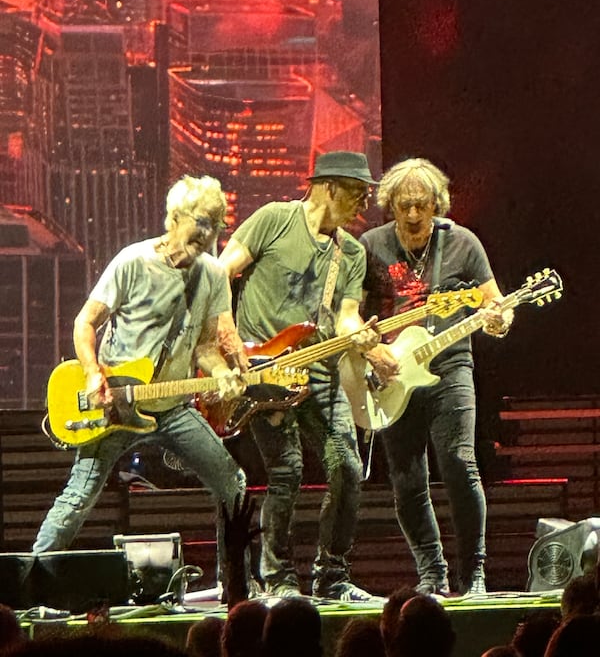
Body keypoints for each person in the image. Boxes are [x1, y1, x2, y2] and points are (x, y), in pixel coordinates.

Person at [32, 175, 247, 588]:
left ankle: (235, 586)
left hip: (171, 406)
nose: (208, 233)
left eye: (216, 224)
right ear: (175, 217)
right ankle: (27, 583)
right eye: (202, 221)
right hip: (117, 402)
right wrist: (95, 373)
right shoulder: (133, 261)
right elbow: (85, 322)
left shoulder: (212, 274)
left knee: (232, 483)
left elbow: (204, 346)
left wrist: (222, 373)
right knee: (79, 497)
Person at [219, 151, 383, 601]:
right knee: (286, 471)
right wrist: (229, 343)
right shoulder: (274, 219)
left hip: (319, 375)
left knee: (348, 468)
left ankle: (333, 575)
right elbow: (220, 273)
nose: (363, 202)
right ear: (328, 186)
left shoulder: (351, 251)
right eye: (356, 191)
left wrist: (362, 337)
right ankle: (279, 578)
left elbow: (346, 316)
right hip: (264, 373)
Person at [360, 158, 514, 596]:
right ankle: (431, 573)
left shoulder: (462, 243)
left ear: (437, 204)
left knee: (459, 464)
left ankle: (474, 573)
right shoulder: (370, 245)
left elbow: (495, 304)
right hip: (393, 376)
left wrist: (498, 320)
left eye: (421, 206)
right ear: (389, 204)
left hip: (450, 366)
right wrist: (372, 350)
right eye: (404, 206)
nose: (412, 216)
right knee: (407, 479)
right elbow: (350, 313)